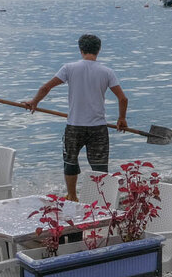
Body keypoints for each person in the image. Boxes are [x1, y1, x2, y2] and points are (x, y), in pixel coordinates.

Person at [22, 34, 128, 201]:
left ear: (81, 50)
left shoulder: (69, 68)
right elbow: (123, 98)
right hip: (98, 128)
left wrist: (34, 102)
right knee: (99, 167)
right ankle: (99, 200)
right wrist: (122, 119)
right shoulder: (107, 72)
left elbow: (46, 87)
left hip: (74, 126)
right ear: (98, 50)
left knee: (70, 163)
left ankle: (72, 196)